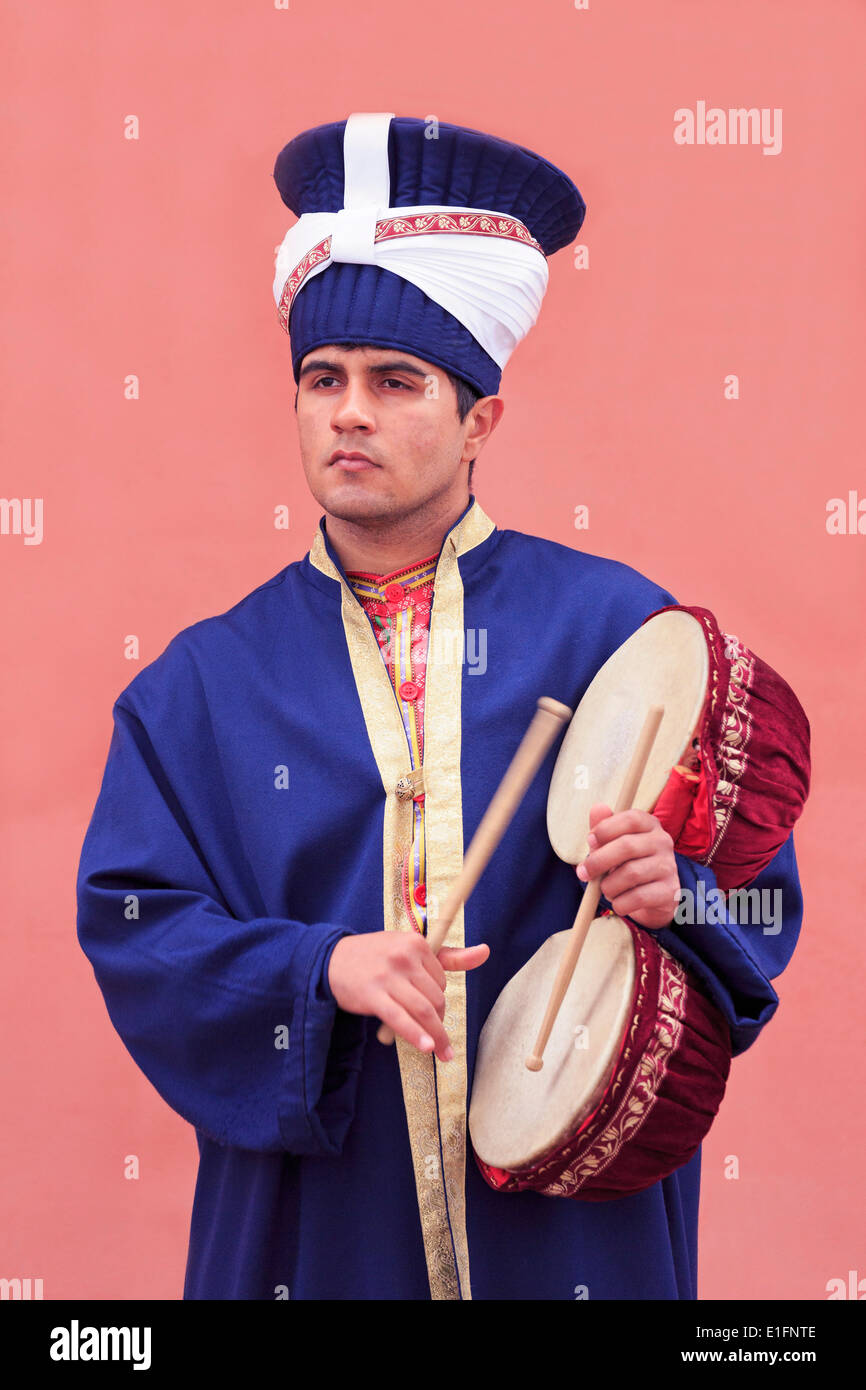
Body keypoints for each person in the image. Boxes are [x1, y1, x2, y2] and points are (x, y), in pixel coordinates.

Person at [77, 113, 805, 1300]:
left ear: (479, 421)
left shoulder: (620, 629)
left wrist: (681, 897)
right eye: (321, 380)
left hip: (569, 1238)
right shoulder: (199, 686)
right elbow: (136, 929)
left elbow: (766, 893)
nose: (347, 413)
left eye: (393, 381)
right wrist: (321, 973)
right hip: (314, 1238)